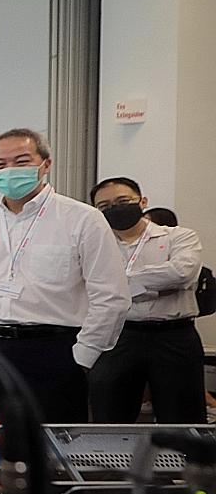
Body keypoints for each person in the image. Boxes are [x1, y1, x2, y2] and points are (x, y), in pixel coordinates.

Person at [0, 128, 129, 423]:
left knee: (51, 449)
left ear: (46, 164)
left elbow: (112, 296)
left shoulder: (82, 219)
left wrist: (83, 356)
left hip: (54, 350)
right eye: (0, 164)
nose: (10, 170)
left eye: (21, 161)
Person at [86, 177, 205, 423]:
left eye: (122, 201)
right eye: (104, 206)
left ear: (142, 201)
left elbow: (182, 273)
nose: (114, 209)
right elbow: (87, 286)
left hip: (174, 336)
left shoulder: (179, 237)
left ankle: (187, 463)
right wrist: (156, 284)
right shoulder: (93, 245)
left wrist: (120, 282)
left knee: (182, 415)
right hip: (118, 336)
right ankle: (110, 462)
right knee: (110, 412)